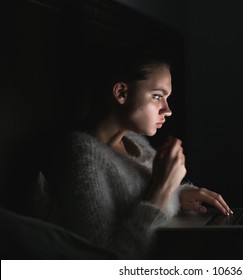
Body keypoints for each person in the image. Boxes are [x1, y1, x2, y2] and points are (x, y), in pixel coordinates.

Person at [40, 46, 232, 260]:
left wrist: (179, 195)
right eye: (158, 96)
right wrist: (163, 188)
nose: (168, 110)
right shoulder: (81, 154)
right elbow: (106, 259)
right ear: (122, 93)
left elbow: (141, 195)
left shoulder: (134, 141)